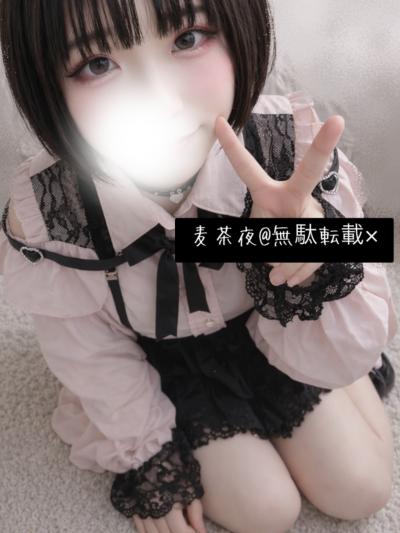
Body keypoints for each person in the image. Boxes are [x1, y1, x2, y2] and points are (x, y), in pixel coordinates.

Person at [0, 1, 398, 532]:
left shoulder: (285, 152)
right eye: (98, 64)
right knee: (265, 512)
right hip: (162, 359)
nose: (160, 100)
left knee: (361, 488)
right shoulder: (53, 216)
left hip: (270, 322)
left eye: (187, 38)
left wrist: (308, 252)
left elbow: (364, 276)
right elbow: (88, 351)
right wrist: (147, 454)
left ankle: (325, 372)